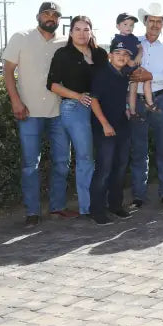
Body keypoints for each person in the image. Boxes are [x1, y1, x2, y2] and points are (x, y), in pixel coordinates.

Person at [3, 2, 71, 226]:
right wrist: (15, 101)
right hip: (28, 112)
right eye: (46, 13)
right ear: (38, 16)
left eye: (55, 15)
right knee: (30, 165)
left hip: (58, 112)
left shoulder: (65, 42)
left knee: (62, 161)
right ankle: (32, 212)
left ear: (59, 19)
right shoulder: (20, 37)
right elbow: (8, 70)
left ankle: (57, 207)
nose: (50, 17)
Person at [46, 15, 106, 217]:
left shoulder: (99, 54)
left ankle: (99, 199)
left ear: (91, 32)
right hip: (74, 108)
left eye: (86, 29)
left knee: (102, 155)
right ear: (70, 32)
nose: (82, 33)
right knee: (85, 157)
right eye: (77, 29)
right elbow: (52, 85)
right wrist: (78, 96)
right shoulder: (63, 54)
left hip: (99, 107)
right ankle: (88, 207)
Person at [129, 3, 163, 207]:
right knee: (139, 150)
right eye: (152, 20)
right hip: (136, 101)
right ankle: (139, 195)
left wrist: (151, 76)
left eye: (159, 21)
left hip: (161, 99)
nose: (155, 24)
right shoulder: (133, 42)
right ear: (145, 22)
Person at [88, 41, 136, 224]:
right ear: (110, 55)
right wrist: (105, 124)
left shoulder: (124, 74)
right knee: (104, 169)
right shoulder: (102, 74)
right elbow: (94, 101)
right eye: (118, 53)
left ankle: (115, 205)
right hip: (104, 128)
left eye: (125, 54)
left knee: (120, 168)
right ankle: (97, 210)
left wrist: (127, 109)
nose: (122, 56)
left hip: (122, 125)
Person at [114, 12, 158, 115]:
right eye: (125, 24)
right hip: (124, 68)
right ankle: (131, 108)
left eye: (131, 25)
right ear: (118, 26)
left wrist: (138, 56)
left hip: (134, 67)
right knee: (123, 91)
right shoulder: (117, 40)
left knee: (142, 83)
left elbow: (140, 48)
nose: (129, 27)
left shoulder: (133, 38)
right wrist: (128, 61)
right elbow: (117, 55)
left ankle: (138, 109)